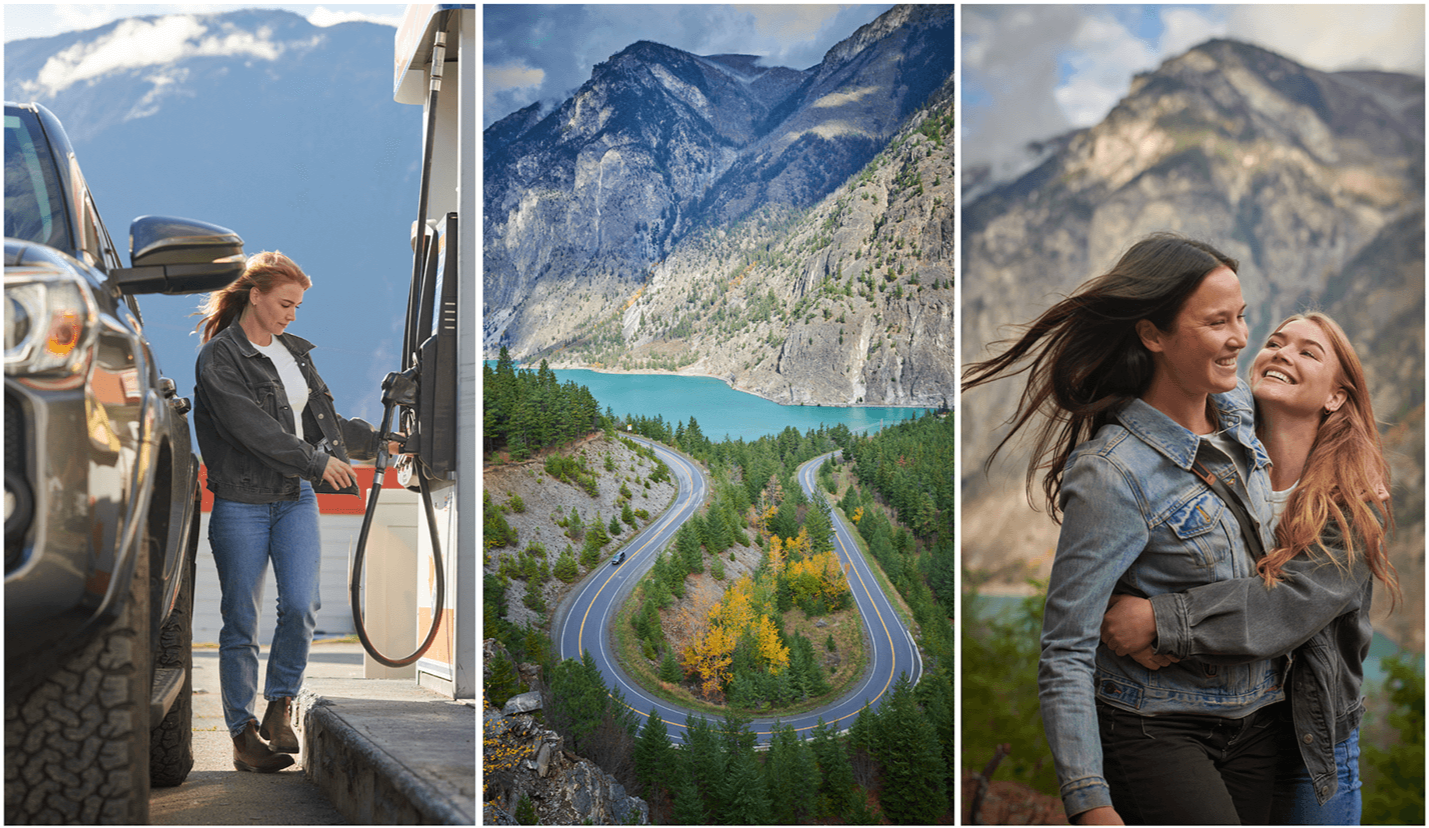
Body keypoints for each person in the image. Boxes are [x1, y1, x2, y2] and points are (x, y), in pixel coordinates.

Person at [962, 232, 1287, 824]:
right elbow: (1066, 648)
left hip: (1259, 719)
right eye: (1217, 322)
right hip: (1157, 728)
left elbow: (1329, 418)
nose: (1241, 337)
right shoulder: (1111, 472)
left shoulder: (1242, 411)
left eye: (1241, 316)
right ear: (1152, 334)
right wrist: (1089, 800)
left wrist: (1362, 478)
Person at [1100, 312, 1399, 824]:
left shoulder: (1351, 501)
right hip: (1216, 724)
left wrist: (1159, 620)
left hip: (1310, 747)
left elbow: (1286, 605)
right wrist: (1114, 600)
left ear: (1336, 397)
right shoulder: (1211, 453)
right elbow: (1149, 536)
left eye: (1308, 352)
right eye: (1276, 342)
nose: (1283, 353)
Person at [194, 251, 383, 773]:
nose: (291, 315)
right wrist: (317, 463)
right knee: (241, 618)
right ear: (254, 296)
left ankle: (280, 706)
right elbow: (250, 428)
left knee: (301, 605)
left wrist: (382, 441)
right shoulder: (219, 357)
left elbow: (321, 421)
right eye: (285, 304)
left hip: (296, 497)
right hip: (242, 502)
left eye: (297, 306)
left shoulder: (293, 353)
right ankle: (242, 735)